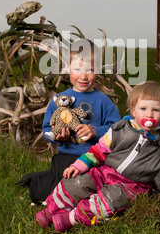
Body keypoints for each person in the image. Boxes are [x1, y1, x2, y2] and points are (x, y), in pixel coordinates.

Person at [36, 81, 160, 233]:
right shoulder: (120, 130)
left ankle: (70, 218)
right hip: (106, 171)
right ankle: (51, 209)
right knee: (75, 182)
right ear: (133, 111)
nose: (149, 114)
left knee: (109, 202)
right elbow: (97, 151)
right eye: (143, 108)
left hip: (132, 185)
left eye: (155, 110)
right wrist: (79, 165)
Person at [18, 39, 121, 204]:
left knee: (94, 192)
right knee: (42, 194)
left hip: (95, 158)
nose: (83, 76)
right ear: (67, 66)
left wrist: (96, 132)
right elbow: (47, 128)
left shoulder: (103, 101)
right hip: (67, 156)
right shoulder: (59, 100)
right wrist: (58, 136)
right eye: (77, 69)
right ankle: (38, 180)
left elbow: (118, 129)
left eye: (90, 69)